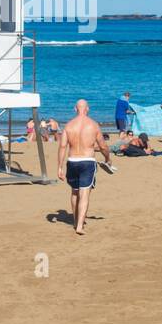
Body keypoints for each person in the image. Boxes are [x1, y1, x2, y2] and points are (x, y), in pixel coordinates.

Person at [57, 99, 111, 236]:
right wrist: (107, 158)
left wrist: (59, 167)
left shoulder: (69, 126)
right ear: (87, 109)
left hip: (72, 160)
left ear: (75, 109)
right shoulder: (93, 125)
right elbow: (103, 146)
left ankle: (75, 221)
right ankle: (79, 226)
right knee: (84, 193)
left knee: (75, 192)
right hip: (87, 161)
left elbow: (62, 146)